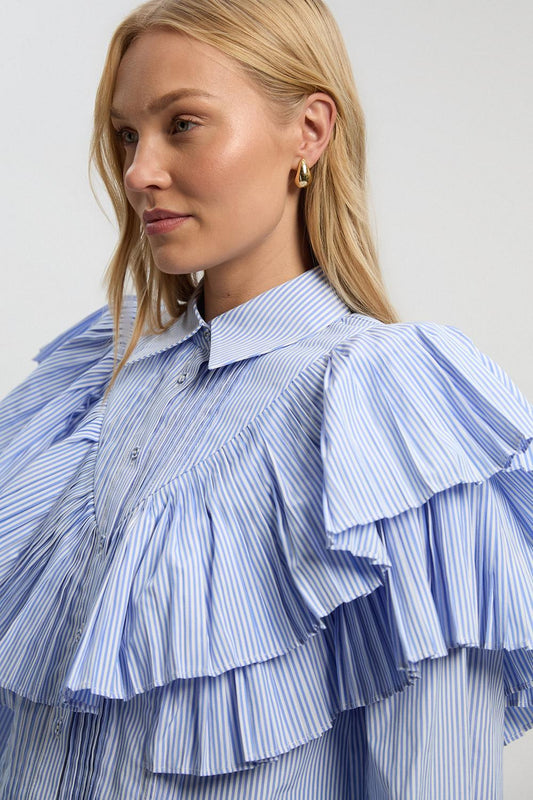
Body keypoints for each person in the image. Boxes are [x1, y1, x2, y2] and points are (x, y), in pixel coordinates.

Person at [0, 0, 531, 797]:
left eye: (183, 124)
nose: (139, 171)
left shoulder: (388, 409)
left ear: (309, 131)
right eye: (127, 135)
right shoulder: (84, 381)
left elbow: (435, 775)